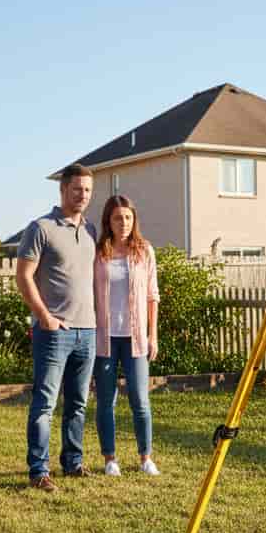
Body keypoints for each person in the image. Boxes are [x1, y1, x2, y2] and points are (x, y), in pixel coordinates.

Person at [16, 163, 98, 492]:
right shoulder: (41, 228)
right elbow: (23, 276)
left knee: (78, 403)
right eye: (77, 189)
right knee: (45, 403)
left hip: (87, 331)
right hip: (53, 333)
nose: (83, 195)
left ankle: (73, 462)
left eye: (88, 190)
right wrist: (45, 318)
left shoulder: (91, 230)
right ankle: (39, 470)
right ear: (63, 190)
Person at [92, 195, 161, 477]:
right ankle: (110, 459)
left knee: (140, 400)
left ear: (135, 220)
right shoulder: (99, 253)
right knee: (106, 400)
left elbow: (152, 296)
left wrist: (152, 335)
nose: (124, 223)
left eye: (128, 218)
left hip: (136, 339)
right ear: (109, 221)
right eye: (118, 218)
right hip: (105, 338)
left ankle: (145, 457)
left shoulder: (144, 251)